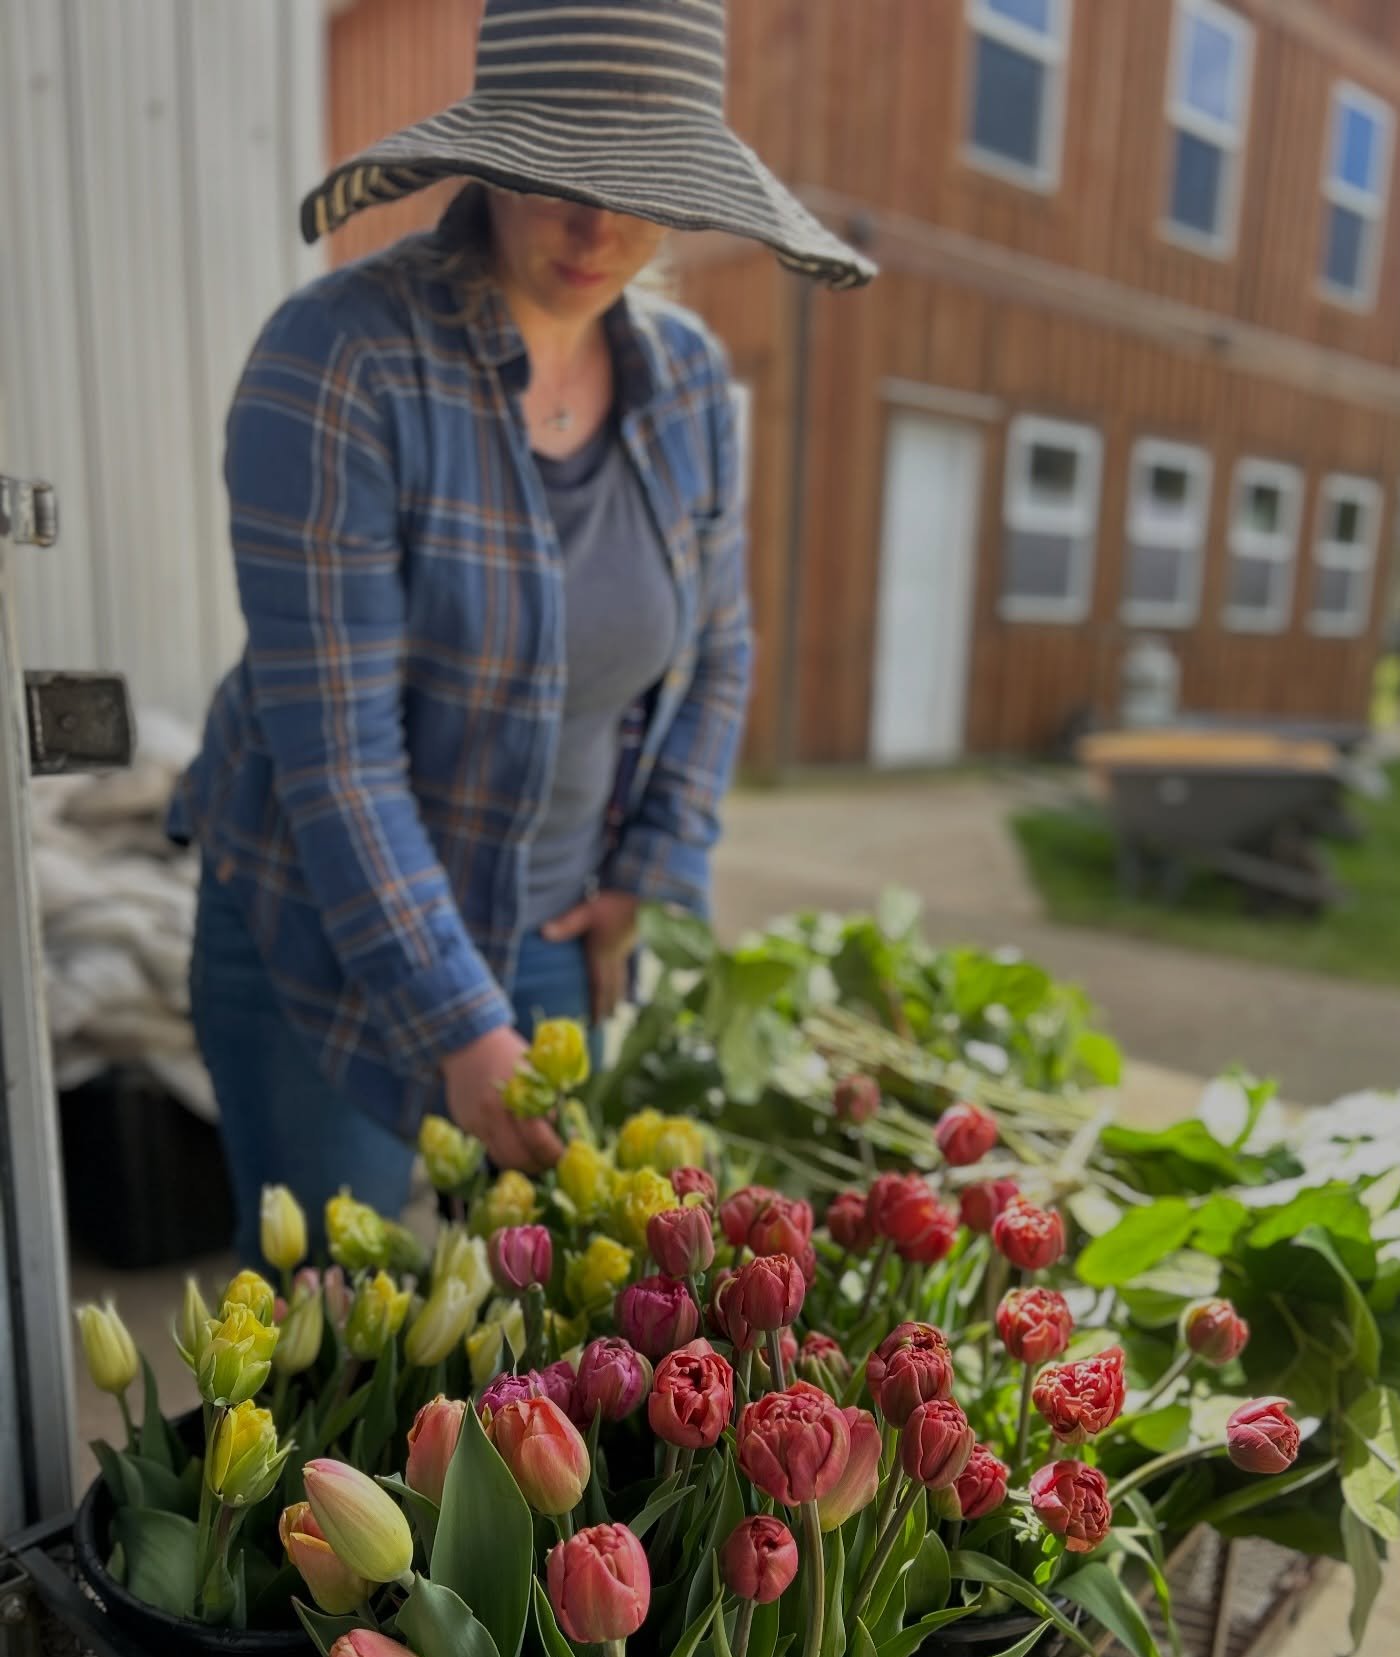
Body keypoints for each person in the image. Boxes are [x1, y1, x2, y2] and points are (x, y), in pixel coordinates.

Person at [170, 0, 873, 1261]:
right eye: (559, 178)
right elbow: (338, 755)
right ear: (492, 158)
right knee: (334, 1320)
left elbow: (718, 653)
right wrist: (458, 1023)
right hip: (324, 927)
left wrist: (652, 873)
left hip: (557, 930)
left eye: (640, 188)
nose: (598, 230)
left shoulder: (690, 383)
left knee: (544, 1317)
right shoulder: (340, 360)